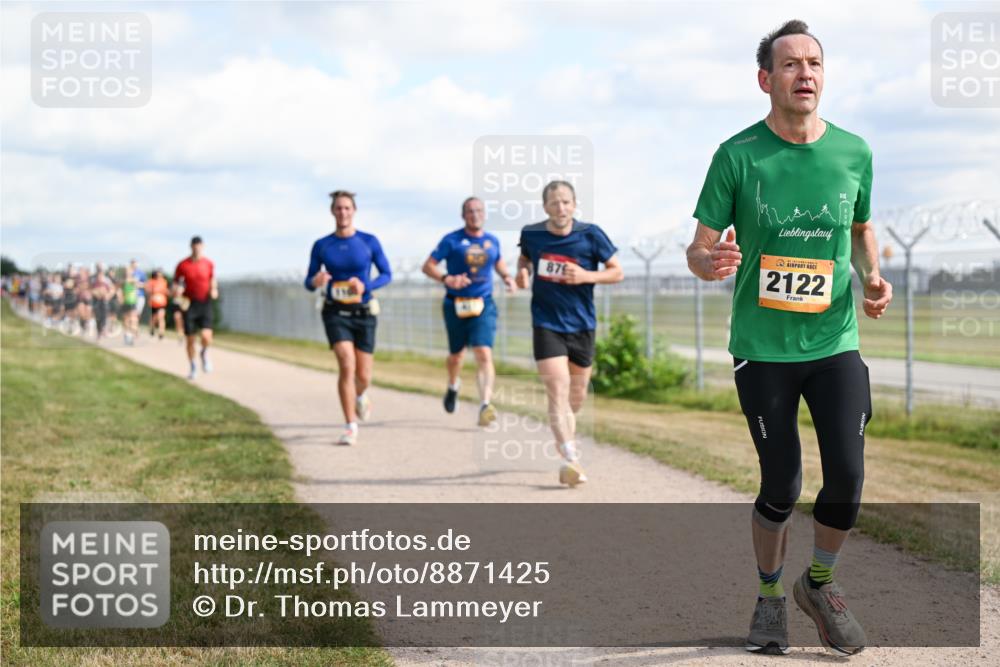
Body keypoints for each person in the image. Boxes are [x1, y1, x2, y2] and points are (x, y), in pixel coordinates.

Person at [687, 20, 892, 657]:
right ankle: (770, 594)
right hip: (763, 348)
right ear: (765, 79)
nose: (805, 73)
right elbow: (698, 246)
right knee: (781, 484)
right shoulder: (737, 155)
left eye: (814, 63)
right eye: (790, 64)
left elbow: (860, 228)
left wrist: (872, 276)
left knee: (848, 479)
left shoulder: (853, 151)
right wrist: (709, 262)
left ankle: (819, 584)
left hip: (835, 342)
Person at [516, 181, 623, 487]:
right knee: (557, 389)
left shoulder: (591, 234)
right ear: (545, 207)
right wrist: (522, 272)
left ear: (574, 205)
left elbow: (617, 271)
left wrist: (587, 275)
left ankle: (564, 437)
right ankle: (570, 458)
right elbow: (525, 258)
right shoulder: (532, 234)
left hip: (582, 325)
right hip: (546, 323)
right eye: (554, 202)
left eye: (565, 202)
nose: (560, 208)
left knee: (575, 397)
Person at [304, 190, 392, 446]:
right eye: (338, 208)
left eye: (347, 208)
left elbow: (387, 274)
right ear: (332, 211)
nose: (343, 212)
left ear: (354, 211)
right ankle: (350, 425)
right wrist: (316, 280)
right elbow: (309, 281)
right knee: (346, 364)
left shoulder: (368, 241)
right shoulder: (322, 245)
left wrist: (366, 285)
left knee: (363, 376)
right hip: (335, 312)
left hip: (364, 312)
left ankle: (361, 395)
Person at [422, 197, 517, 426]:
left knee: (483, 353)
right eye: (470, 211)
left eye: (479, 210)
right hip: (455, 304)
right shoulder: (452, 240)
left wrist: (507, 277)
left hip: (483, 304)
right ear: (463, 215)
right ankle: (453, 384)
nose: (475, 215)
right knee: (456, 356)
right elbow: (428, 266)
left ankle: (485, 405)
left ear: (484, 214)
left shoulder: (492, 240)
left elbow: (498, 262)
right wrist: (447, 278)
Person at [174, 236, 218, 379]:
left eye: (199, 246)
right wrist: (177, 291)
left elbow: (212, 279)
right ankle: (193, 366)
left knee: (206, 336)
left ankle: (204, 352)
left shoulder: (208, 263)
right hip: (189, 304)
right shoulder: (182, 265)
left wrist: (214, 289)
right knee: (190, 339)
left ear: (203, 246)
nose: (197, 248)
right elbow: (176, 283)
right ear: (191, 247)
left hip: (204, 303)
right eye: (194, 246)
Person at [147, 269, 170, 339]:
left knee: (161, 317)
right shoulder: (151, 281)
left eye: (161, 273)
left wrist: (167, 292)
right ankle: (152, 329)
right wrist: (153, 291)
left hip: (162, 303)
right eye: (158, 273)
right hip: (153, 303)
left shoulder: (164, 282)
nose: (159, 275)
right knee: (153, 318)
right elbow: (148, 290)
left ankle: (161, 333)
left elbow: (168, 291)